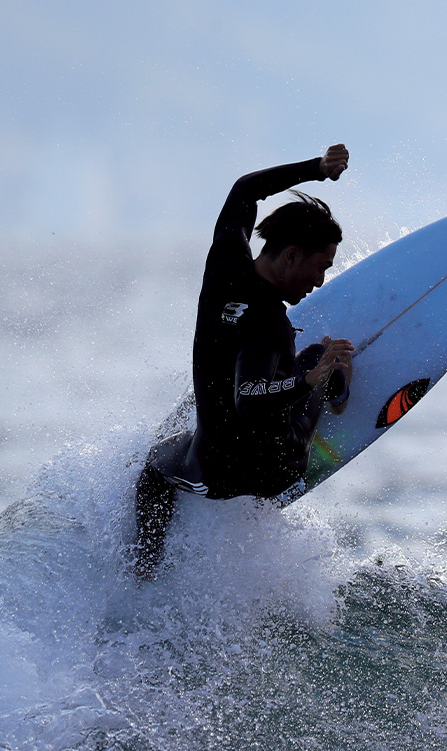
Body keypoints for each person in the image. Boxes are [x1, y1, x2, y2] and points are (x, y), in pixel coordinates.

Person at [131, 144, 355, 580]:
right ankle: (337, 388)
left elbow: (244, 191)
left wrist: (316, 168)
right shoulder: (269, 323)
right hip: (269, 471)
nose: (320, 280)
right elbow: (250, 399)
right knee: (318, 356)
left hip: (205, 469)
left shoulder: (225, 266)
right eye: (320, 267)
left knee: (154, 468)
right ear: (291, 256)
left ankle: (144, 569)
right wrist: (309, 380)